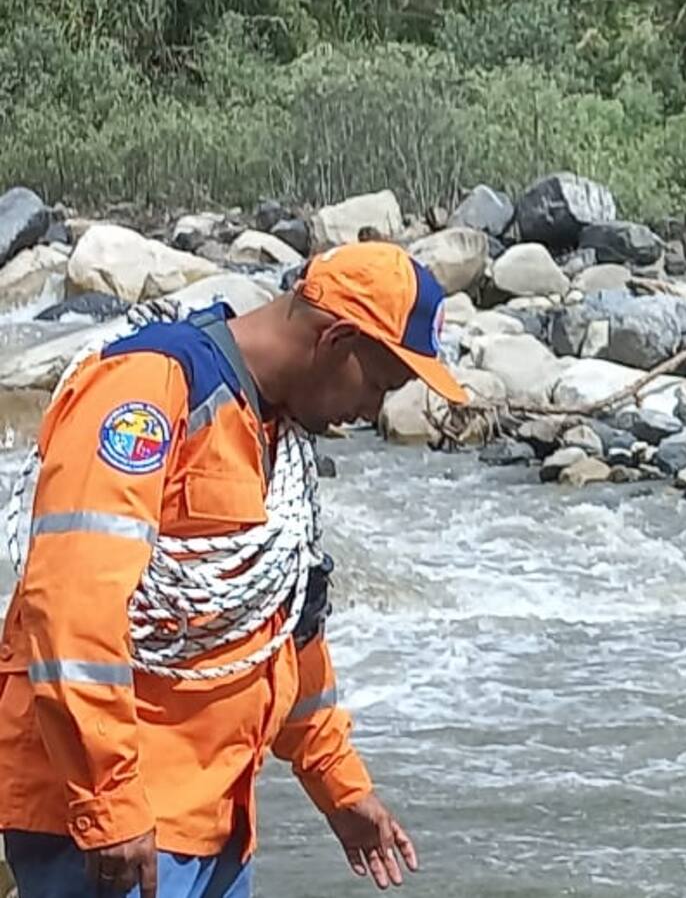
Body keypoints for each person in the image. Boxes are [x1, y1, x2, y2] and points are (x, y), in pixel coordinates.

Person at [0, 241, 468, 897]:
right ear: (335, 339)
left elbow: (281, 627)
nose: (372, 413)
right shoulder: (149, 390)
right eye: (383, 383)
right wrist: (110, 805)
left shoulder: (273, 432)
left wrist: (339, 784)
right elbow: (72, 608)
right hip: (113, 832)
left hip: (213, 823)